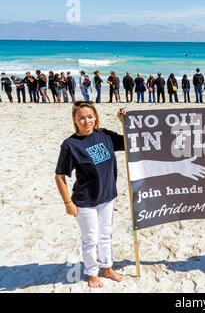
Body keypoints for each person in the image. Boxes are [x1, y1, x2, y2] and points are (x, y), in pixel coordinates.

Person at [55, 100, 127, 288]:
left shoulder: (105, 135)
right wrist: (68, 203)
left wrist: (123, 122)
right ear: (75, 120)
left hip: (107, 196)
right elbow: (59, 176)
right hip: (85, 201)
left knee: (105, 235)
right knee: (91, 239)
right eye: (82, 118)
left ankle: (107, 267)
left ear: (95, 116)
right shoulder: (70, 145)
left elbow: (129, 142)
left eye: (90, 116)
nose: (86, 121)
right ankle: (92, 272)